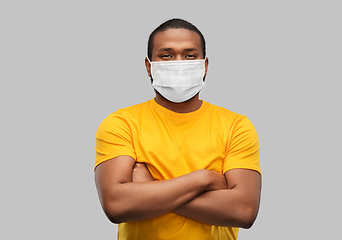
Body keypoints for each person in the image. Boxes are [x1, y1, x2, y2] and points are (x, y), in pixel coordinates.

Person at [94, 18, 261, 240]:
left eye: (190, 55)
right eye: (167, 55)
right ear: (148, 66)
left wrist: (150, 189)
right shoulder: (121, 124)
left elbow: (243, 210)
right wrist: (203, 180)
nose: (179, 63)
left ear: (205, 65)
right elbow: (116, 205)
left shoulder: (236, 126)